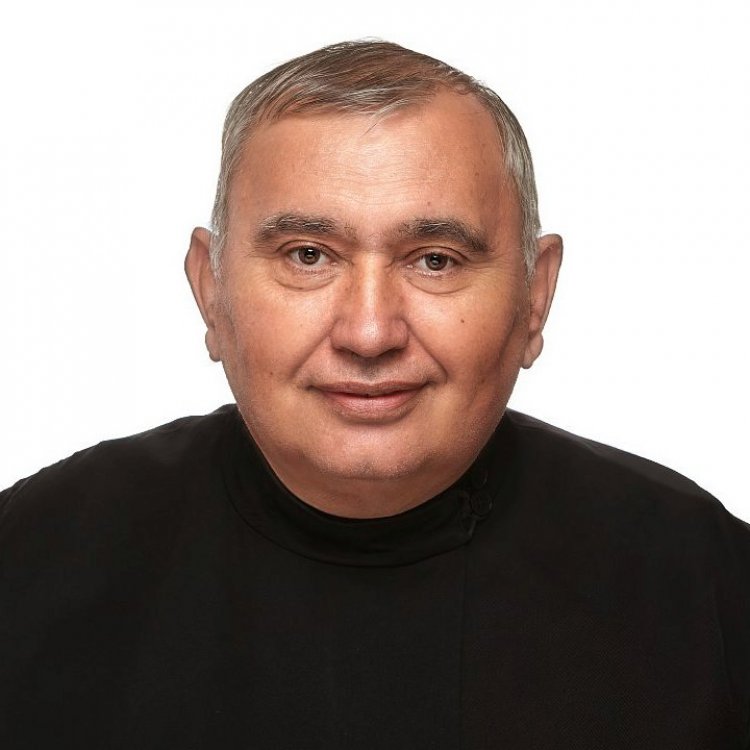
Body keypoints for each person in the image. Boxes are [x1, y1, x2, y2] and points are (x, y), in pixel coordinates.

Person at [1, 40, 748, 749]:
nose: (368, 332)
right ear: (210, 289)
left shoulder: (709, 584)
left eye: (435, 260)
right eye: (308, 255)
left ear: (534, 298)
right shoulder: (27, 560)